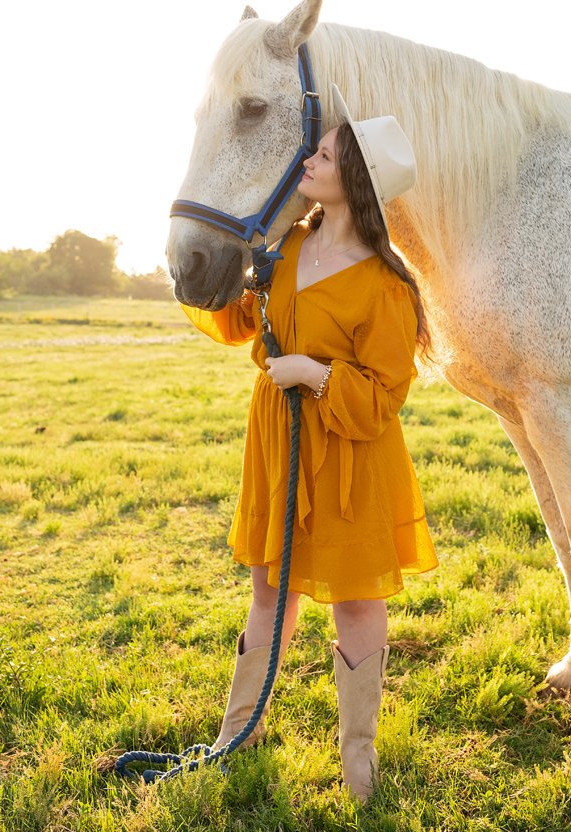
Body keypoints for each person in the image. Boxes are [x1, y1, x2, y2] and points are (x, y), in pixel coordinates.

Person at [181, 84, 438, 800]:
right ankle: (238, 732)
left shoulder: (387, 287)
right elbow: (238, 324)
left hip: (348, 453)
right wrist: (204, 270)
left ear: (354, 179)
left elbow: (382, 398)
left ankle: (358, 759)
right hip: (277, 444)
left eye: (323, 153)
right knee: (269, 588)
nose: (309, 157)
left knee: (354, 601)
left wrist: (316, 375)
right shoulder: (285, 246)